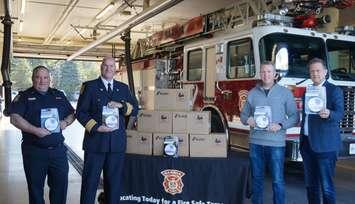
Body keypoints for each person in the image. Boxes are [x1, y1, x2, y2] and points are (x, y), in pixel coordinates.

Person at [76, 56, 138, 204]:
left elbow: (135, 109)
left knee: (114, 184)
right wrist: (97, 127)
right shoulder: (89, 87)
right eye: (105, 66)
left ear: (115, 70)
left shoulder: (123, 88)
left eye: (111, 66)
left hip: (116, 145)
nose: (108, 69)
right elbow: (80, 113)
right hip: (95, 144)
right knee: (90, 183)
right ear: (101, 67)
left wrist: (121, 105)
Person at [9, 65, 75, 204]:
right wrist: (35, 130)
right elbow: (14, 118)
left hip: (58, 152)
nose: (42, 80)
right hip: (34, 152)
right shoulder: (24, 96)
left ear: (50, 79)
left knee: (60, 189)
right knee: (36, 191)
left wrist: (65, 122)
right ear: (33, 79)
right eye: (38, 77)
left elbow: (71, 113)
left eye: (45, 77)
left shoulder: (58, 95)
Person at [240, 61, 299, 204]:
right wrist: (249, 120)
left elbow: (295, 117)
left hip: (276, 144)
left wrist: (280, 125)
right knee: (257, 180)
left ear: (275, 74)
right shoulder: (253, 93)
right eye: (263, 72)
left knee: (278, 181)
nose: (266, 75)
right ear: (260, 74)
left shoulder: (284, 93)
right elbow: (243, 116)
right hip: (256, 143)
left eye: (269, 72)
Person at [300, 58, 344, 204]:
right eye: (312, 71)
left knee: (326, 187)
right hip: (307, 144)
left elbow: (340, 114)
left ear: (325, 72)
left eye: (318, 70)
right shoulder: (307, 91)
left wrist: (329, 114)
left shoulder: (334, 90)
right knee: (310, 186)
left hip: (326, 146)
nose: (315, 73)